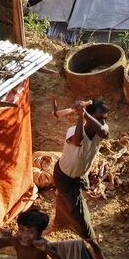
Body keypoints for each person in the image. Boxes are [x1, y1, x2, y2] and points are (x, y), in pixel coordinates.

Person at [52, 99, 108, 241]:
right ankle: (95, 247)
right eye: (99, 118)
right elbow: (78, 140)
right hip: (64, 175)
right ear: (88, 116)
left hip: (80, 174)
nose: (103, 122)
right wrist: (81, 116)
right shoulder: (73, 131)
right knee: (79, 214)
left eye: (104, 119)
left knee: (64, 197)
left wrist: (84, 114)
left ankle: (60, 221)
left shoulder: (101, 128)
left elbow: (103, 132)